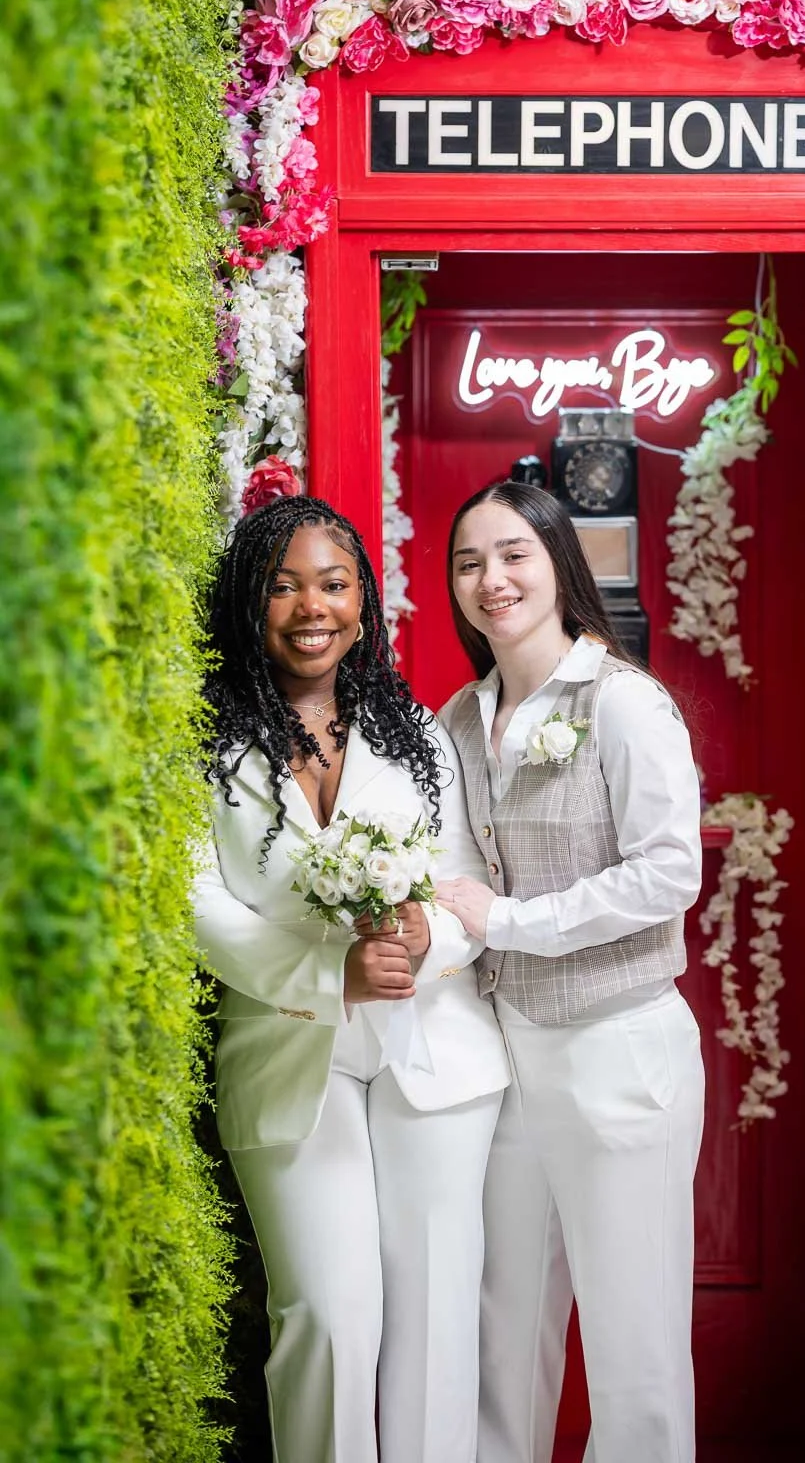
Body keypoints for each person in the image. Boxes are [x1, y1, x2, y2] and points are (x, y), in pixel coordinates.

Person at [193, 494, 509, 1463]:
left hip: (434, 1059)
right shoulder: (204, 741)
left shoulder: (414, 731)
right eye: (283, 586)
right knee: (329, 1317)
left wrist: (421, 938)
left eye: (331, 584)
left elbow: (472, 889)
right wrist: (332, 974)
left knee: (434, 1323)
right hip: (295, 1058)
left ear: (363, 607)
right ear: (251, 602)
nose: (310, 607)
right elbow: (197, 905)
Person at [436, 481, 706, 1463]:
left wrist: (512, 921)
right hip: (505, 1064)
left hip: (619, 1052)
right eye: (468, 561)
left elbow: (671, 870)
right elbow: (444, 871)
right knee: (501, 1326)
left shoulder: (623, 702)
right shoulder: (458, 721)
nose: (490, 579)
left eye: (512, 554)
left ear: (557, 563)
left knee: (634, 1345)